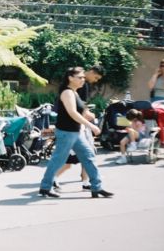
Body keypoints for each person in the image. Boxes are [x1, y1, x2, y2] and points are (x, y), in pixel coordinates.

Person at [38, 67, 113, 198]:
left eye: (84, 77)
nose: (83, 80)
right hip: (66, 132)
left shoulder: (75, 92)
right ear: (70, 78)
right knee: (58, 161)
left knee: (89, 157)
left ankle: (96, 188)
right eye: (80, 77)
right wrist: (91, 126)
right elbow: (72, 112)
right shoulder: (67, 92)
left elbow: (81, 110)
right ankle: (45, 188)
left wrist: (89, 115)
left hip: (76, 132)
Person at [54, 65, 104, 191]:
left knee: (86, 154)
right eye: (96, 77)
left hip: (75, 125)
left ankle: (87, 181)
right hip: (75, 126)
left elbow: (80, 105)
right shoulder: (78, 87)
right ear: (92, 72)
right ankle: (51, 180)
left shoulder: (77, 86)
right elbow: (77, 108)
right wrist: (90, 120)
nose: (96, 80)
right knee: (71, 158)